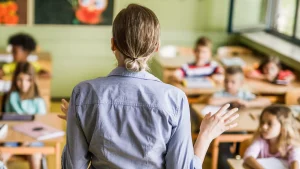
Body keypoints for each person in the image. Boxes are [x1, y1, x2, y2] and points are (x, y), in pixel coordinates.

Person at [59, 4, 239, 169]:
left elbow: (73, 166)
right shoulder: (174, 99)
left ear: (113, 44)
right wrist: (205, 135)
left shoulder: (83, 94)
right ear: (156, 47)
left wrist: (79, 122)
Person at [2, 62, 46, 169]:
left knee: (35, 155)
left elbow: (41, 125)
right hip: (13, 137)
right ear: (14, 80)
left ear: (32, 80)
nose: (23, 84)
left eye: (27, 80)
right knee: (2, 155)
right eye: (19, 80)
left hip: (33, 138)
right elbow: (7, 122)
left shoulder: (38, 101)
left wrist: (26, 141)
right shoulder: (11, 97)